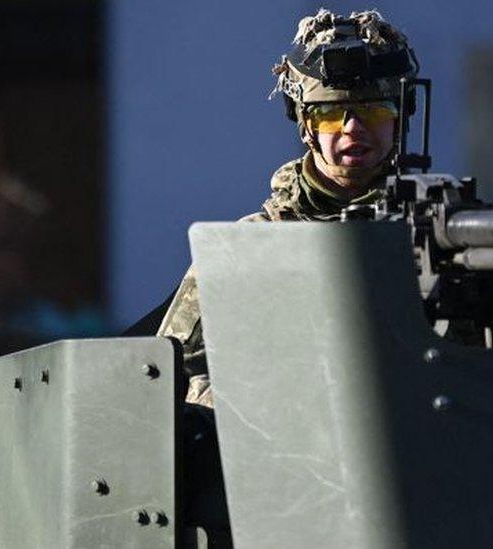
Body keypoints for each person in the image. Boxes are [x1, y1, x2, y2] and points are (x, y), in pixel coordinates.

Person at [157, 9, 419, 407]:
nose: (352, 129)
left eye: (374, 111)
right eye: (330, 115)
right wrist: (258, 414)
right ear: (305, 125)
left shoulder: (436, 237)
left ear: (399, 119)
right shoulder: (249, 247)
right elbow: (168, 374)